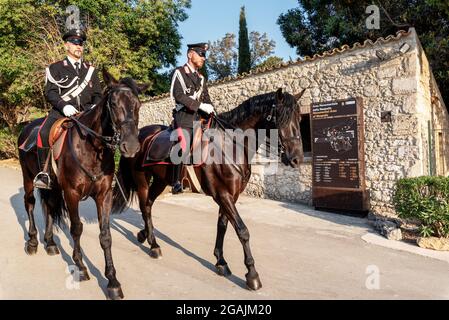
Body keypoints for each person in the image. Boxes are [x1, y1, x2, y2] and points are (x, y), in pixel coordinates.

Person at [33, 29, 102, 189]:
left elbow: (98, 94)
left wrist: (93, 107)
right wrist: (64, 106)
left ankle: (104, 172)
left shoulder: (91, 70)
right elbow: (50, 92)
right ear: (66, 45)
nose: (79, 46)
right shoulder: (55, 68)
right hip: (61, 113)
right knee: (43, 133)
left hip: (86, 114)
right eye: (75, 42)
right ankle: (45, 173)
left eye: (81, 43)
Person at [169, 42, 215, 194]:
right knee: (183, 143)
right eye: (201, 54)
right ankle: (175, 181)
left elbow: (206, 98)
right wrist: (199, 106)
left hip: (199, 119)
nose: (203, 58)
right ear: (190, 55)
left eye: (204, 55)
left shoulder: (201, 78)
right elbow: (178, 95)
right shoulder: (179, 72)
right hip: (184, 118)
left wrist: (211, 109)